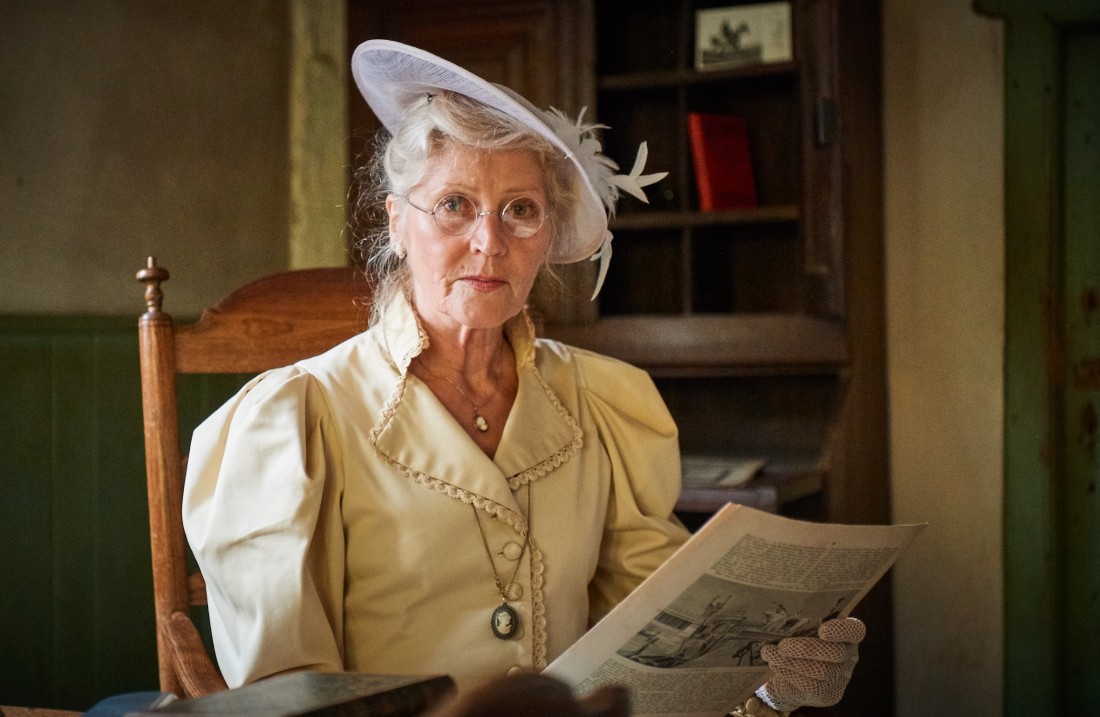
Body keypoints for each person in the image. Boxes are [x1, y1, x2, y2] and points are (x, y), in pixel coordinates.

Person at [181, 39, 863, 716]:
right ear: (397, 223)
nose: (489, 241)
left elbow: (669, 653)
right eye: (454, 204)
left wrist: (770, 683)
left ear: (549, 234)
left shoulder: (603, 403)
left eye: (520, 209)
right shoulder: (294, 420)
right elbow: (289, 697)